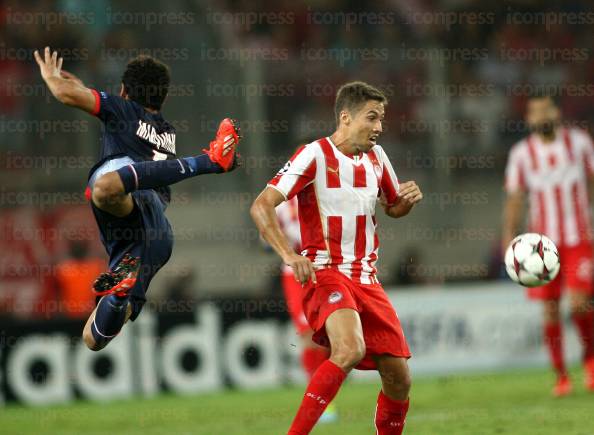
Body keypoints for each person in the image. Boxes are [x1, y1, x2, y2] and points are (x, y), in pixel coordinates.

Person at [35, 47, 240, 350]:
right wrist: (83, 89)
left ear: (124, 91)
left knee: (103, 188)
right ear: (163, 98)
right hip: (155, 236)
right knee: (93, 338)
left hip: (136, 204)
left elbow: (65, 94)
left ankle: (208, 161)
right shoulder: (166, 131)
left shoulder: (122, 108)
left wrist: (52, 77)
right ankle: (119, 296)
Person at [251, 81, 422, 434]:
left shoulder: (378, 158)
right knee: (349, 348)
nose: (379, 127)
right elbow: (261, 205)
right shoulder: (314, 155)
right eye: (371, 118)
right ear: (345, 117)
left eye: (382, 119)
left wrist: (406, 200)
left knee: (400, 379)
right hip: (326, 272)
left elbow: (392, 207)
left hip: (367, 279)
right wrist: (288, 253)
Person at [502, 93, 594, 396]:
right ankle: (561, 374)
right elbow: (515, 198)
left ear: (556, 112)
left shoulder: (579, 143)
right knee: (550, 310)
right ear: (528, 119)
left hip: (578, 237)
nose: (541, 116)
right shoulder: (521, 154)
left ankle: (590, 361)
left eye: (546, 109)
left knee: (580, 302)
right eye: (535, 112)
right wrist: (508, 237)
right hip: (541, 245)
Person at [275, 196, 336, 423]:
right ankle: (321, 402)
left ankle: (324, 393)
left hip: (328, 269)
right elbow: (267, 235)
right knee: (309, 333)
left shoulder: (326, 194)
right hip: (296, 274)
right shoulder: (280, 202)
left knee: (333, 335)